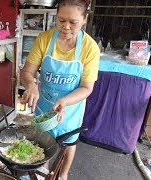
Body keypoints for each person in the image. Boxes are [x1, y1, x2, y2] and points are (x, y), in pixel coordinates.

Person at [20, 0, 100, 179]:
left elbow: (87, 88)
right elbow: (26, 72)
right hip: (44, 105)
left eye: (73, 22)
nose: (66, 27)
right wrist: (31, 84)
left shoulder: (90, 48)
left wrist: (64, 101)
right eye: (61, 20)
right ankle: (42, 173)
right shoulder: (45, 39)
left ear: (85, 19)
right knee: (42, 143)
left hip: (70, 108)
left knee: (69, 143)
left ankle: (63, 175)